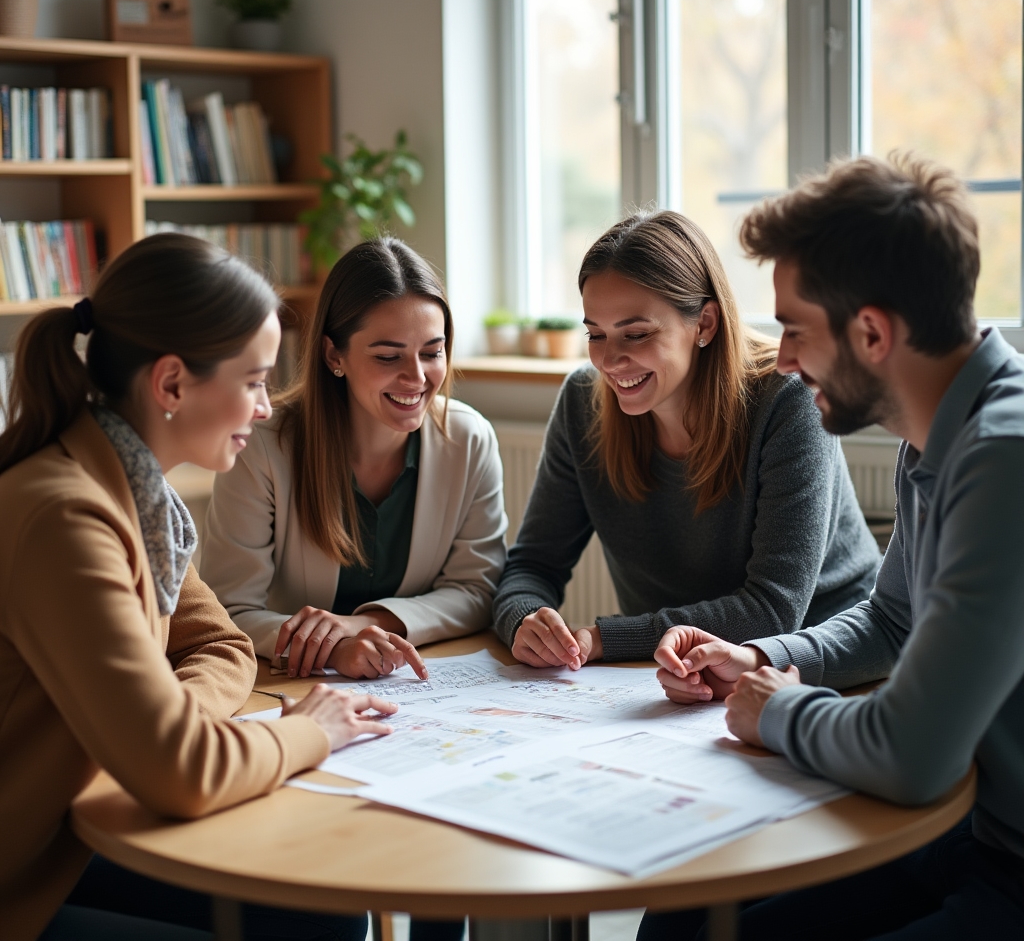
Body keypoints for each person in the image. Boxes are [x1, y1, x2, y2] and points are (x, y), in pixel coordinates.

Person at [654, 154, 1024, 940]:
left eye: (793, 328)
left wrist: (784, 712)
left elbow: (912, 754)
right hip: (971, 834)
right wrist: (759, 659)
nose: (781, 358)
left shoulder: (1004, 459)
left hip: (1008, 866)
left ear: (872, 332)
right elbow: (891, 624)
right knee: (685, 921)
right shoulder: (933, 437)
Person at [0, 234, 399, 941]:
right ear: (173, 384)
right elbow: (180, 770)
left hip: (61, 831)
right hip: (21, 876)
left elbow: (219, 643)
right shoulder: (68, 516)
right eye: (253, 381)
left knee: (326, 915)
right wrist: (308, 731)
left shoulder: (135, 497)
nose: (268, 408)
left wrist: (169, 717)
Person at [201, 237, 507, 941]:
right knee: (329, 898)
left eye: (432, 350)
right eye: (388, 353)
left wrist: (372, 623)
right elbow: (224, 611)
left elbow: (479, 586)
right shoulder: (265, 444)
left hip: (422, 705)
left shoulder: (470, 440)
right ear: (335, 355)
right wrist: (321, 644)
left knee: (449, 861)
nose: (418, 375)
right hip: (290, 704)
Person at [491, 210, 880, 673]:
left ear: (705, 324)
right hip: (673, 670)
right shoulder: (582, 402)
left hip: (819, 661)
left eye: (636, 333)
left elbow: (773, 609)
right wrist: (525, 619)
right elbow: (533, 564)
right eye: (595, 334)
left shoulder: (788, 397)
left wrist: (603, 638)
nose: (611, 360)